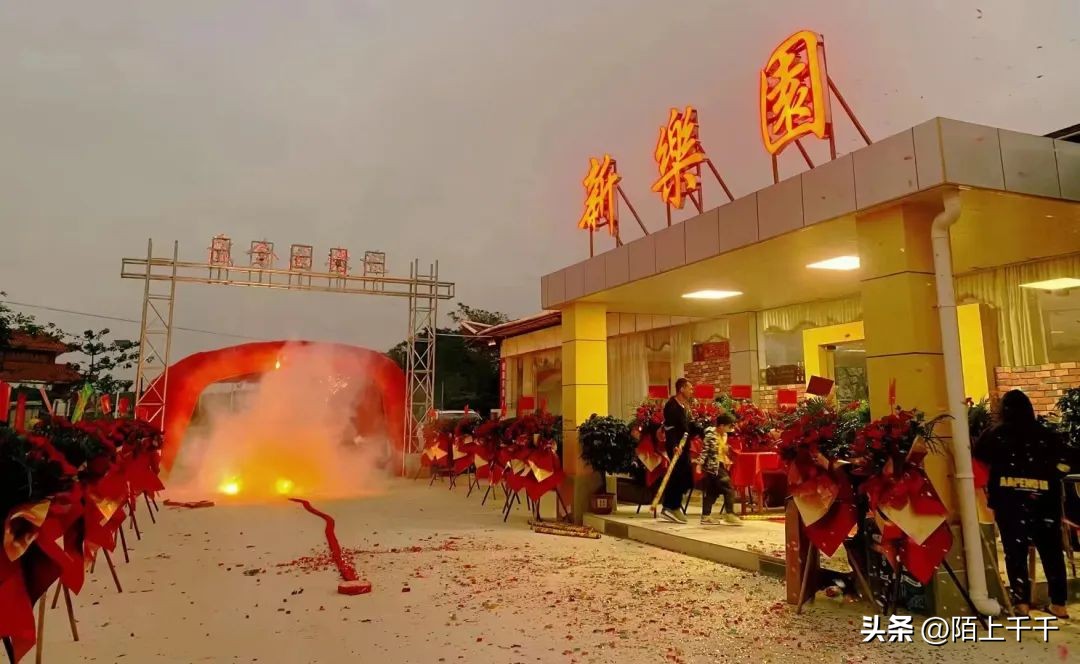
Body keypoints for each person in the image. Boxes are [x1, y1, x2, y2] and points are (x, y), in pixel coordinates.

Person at [973, 390, 1073, 618]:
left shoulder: (995, 435)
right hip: (1044, 501)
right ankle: (1059, 604)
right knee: (1051, 551)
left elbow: (979, 456)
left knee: (1014, 551)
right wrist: (1051, 475)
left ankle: (1022, 604)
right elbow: (1068, 460)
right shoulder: (1046, 435)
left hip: (1010, 501)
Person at [660, 378, 695, 523]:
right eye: (689, 388)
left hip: (684, 446)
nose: (691, 391)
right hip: (676, 447)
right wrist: (674, 444)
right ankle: (671, 507)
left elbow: (689, 426)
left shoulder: (684, 406)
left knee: (686, 477)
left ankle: (671, 505)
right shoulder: (671, 406)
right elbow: (669, 428)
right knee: (678, 476)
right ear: (681, 389)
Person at [700, 412, 743, 526]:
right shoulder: (710, 435)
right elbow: (704, 450)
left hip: (721, 464)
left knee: (712, 492)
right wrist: (699, 464)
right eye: (729, 426)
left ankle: (706, 516)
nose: (731, 428)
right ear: (721, 425)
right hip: (713, 466)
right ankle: (729, 514)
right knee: (728, 488)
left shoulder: (724, 435)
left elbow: (722, 450)